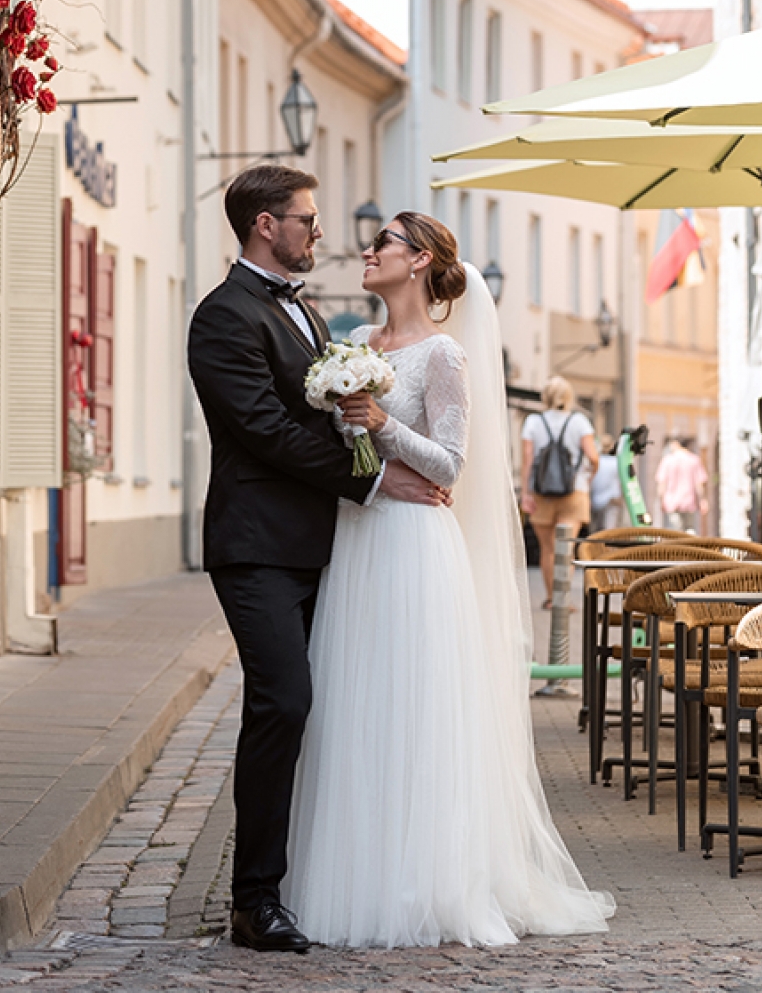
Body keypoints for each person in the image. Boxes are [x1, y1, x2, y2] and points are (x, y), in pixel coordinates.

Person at [285, 214, 614, 947]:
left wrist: (380, 425)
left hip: (414, 546)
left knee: (414, 706)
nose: (366, 252)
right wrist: (357, 438)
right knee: (355, 704)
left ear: (419, 261)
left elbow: (451, 466)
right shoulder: (357, 348)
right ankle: (353, 877)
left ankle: (425, 882)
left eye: (383, 245)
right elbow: (347, 456)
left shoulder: (443, 355)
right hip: (360, 537)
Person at [187, 167, 449, 955]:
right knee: (284, 704)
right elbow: (264, 428)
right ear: (266, 225)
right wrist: (372, 477)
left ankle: (306, 881)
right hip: (257, 548)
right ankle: (253, 899)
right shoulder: (223, 317)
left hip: (324, 547)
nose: (320, 231)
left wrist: (374, 454)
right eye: (306, 218)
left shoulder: (302, 314)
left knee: (332, 711)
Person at [520, 377, 599, 607]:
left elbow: (527, 460)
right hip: (574, 493)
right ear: (568, 397)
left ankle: (550, 598)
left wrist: (526, 493)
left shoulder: (533, 422)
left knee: (548, 549)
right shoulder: (579, 421)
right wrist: (588, 476)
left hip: (541, 493)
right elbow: (593, 457)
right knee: (565, 548)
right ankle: (563, 601)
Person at [656, 435, 709, 532]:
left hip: (671, 502)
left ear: (676, 444)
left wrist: (661, 499)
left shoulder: (667, 460)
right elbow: (699, 483)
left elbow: (662, 482)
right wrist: (703, 500)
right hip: (689, 501)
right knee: (690, 529)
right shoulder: (694, 460)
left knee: (675, 531)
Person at [590, 439, 623, 530]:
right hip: (612, 500)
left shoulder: (595, 461)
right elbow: (621, 482)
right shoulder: (616, 462)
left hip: (595, 499)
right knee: (609, 530)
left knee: (596, 530)